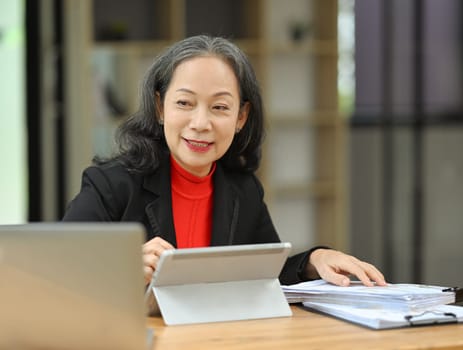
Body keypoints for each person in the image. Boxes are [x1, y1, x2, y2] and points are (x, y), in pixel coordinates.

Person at [63, 35, 386, 288]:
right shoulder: (111, 184)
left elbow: (263, 273)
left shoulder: (241, 188)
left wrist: (315, 258)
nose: (201, 123)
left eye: (219, 107)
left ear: (241, 116)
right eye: (185, 103)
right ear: (160, 107)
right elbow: (59, 268)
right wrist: (122, 267)